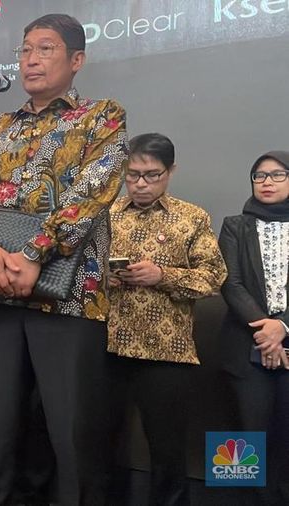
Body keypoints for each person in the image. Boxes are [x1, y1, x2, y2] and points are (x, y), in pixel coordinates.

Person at [0, 13, 128, 505]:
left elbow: (92, 193)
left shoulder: (102, 116)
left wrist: (32, 254)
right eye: (25, 49)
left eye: (45, 48)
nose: (30, 58)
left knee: (72, 435)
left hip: (69, 297)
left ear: (76, 60)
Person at [106, 133, 226, 505]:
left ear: (171, 171)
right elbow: (77, 275)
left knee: (167, 447)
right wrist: (102, 279)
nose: (140, 183)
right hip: (105, 345)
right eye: (133, 174)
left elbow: (214, 276)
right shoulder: (105, 216)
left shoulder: (191, 218)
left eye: (152, 175)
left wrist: (164, 276)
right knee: (102, 441)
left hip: (167, 350)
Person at [219, 150, 289, 505]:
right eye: (259, 176)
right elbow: (230, 284)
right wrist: (267, 331)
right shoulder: (235, 225)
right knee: (243, 445)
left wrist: (283, 327)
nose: (266, 182)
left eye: (277, 175)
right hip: (245, 351)